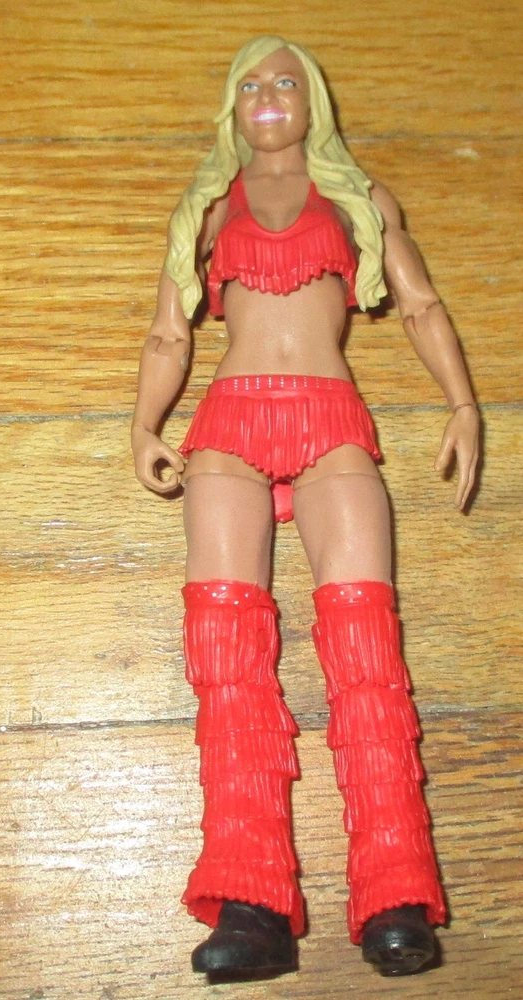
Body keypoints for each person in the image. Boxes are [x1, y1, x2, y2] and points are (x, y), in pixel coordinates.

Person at [131, 34, 479, 981]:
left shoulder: (359, 197)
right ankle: (250, 902)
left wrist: (461, 402)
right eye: (250, 84)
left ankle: (396, 890)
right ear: (231, 107)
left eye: (286, 80)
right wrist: (144, 423)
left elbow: (420, 305)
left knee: (368, 655)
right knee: (227, 660)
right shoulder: (207, 206)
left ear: (312, 99)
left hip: (331, 420)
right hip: (229, 425)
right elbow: (168, 330)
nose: (269, 95)